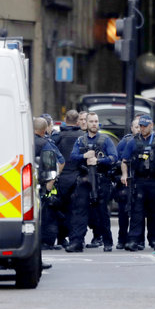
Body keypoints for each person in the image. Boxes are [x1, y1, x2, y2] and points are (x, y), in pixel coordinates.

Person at [66, 112, 117, 253]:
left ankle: (107, 241)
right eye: (91, 121)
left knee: (102, 212)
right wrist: (84, 156)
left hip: (102, 180)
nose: (94, 124)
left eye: (96, 121)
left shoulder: (105, 140)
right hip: (84, 180)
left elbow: (114, 158)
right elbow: (73, 157)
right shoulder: (80, 140)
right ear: (86, 123)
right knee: (80, 211)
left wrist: (99, 160)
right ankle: (76, 242)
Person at [121, 115, 155, 251]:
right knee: (137, 212)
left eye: (145, 126)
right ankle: (134, 240)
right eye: (140, 126)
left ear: (151, 125)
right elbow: (124, 160)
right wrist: (124, 174)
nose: (142, 128)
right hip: (139, 181)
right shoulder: (133, 142)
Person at [34, 118, 65, 268]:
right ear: (45, 129)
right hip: (40, 187)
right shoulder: (46, 143)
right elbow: (59, 163)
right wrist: (49, 185)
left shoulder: (22, 141)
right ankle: (38, 258)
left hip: (20, 189)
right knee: (40, 220)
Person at [53, 110, 84, 249]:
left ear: (65, 120)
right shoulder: (82, 136)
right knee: (75, 211)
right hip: (77, 177)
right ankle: (74, 239)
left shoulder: (57, 136)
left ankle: (60, 238)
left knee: (59, 210)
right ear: (78, 121)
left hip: (59, 178)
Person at [114, 116, 141, 249]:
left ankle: (137, 239)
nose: (138, 129)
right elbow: (116, 161)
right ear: (131, 128)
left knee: (138, 212)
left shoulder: (148, 142)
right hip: (125, 182)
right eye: (136, 126)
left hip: (139, 181)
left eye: (140, 126)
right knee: (123, 212)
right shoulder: (125, 142)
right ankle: (122, 238)